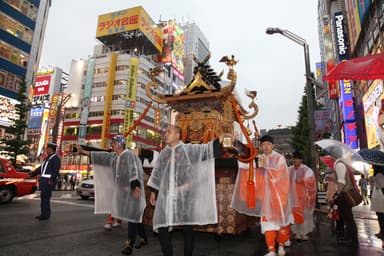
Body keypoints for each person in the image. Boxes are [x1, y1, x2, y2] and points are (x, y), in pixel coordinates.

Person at [147, 125, 224, 256]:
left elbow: (206, 150)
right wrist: (154, 191)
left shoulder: (188, 149)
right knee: (162, 225)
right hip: (166, 197)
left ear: (177, 135)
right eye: (166, 132)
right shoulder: (163, 153)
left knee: (187, 227)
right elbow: (157, 173)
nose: (166, 134)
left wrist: (220, 140)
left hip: (185, 196)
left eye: (169, 132)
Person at [77, 135, 147, 255]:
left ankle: (129, 245)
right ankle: (144, 238)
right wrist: (83, 152)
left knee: (132, 217)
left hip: (133, 191)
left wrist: (136, 186)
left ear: (120, 144)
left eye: (114, 142)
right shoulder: (114, 157)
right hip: (123, 192)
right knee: (135, 217)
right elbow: (100, 156)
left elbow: (134, 170)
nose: (112, 144)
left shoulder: (129, 155)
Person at [231, 134, 291, 256]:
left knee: (280, 222)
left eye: (268, 144)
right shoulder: (259, 158)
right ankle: (271, 250)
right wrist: (241, 160)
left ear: (273, 145)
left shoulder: (279, 158)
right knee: (267, 222)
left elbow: (281, 175)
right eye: (263, 145)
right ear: (261, 146)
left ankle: (281, 246)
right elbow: (250, 169)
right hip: (265, 197)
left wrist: (266, 168)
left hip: (279, 197)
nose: (266, 147)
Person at [28, 142, 61, 220]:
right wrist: (32, 174)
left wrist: (51, 179)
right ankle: (43, 214)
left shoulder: (55, 158)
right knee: (43, 198)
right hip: (43, 181)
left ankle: (45, 215)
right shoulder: (48, 158)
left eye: (47, 148)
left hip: (48, 181)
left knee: (45, 198)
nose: (46, 150)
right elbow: (41, 168)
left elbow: (55, 170)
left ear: (51, 149)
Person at [288, 151, 317, 241]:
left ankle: (304, 233)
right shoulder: (289, 169)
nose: (295, 160)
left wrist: (303, 180)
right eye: (293, 158)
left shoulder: (307, 170)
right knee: (294, 215)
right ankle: (296, 233)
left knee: (305, 215)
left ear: (301, 160)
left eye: (297, 158)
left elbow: (311, 181)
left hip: (304, 197)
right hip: (292, 197)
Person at [333, 159, 359, 248]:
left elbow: (342, 182)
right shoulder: (343, 163)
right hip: (345, 194)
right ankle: (351, 238)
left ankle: (353, 240)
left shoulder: (339, 164)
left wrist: (337, 193)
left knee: (348, 218)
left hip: (344, 195)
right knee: (347, 217)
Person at [371, 165, 384, 239]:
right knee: (381, 216)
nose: (372, 167)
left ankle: (382, 232)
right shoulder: (379, 175)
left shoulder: (379, 175)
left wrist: (374, 182)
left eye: (373, 166)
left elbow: (382, 187)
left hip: (380, 199)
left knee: (381, 216)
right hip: (380, 199)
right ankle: (381, 232)